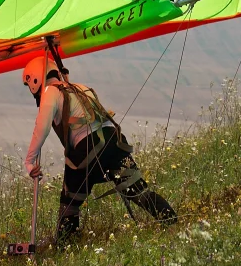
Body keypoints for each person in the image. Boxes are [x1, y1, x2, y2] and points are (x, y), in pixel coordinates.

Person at [21, 55, 177, 241]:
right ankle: (174, 223)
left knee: (70, 202)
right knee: (138, 191)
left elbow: (42, 127)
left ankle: (65, 248)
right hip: (114, 141)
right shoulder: (80, 87)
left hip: (87, 148)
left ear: (35, 80)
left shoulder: (50, 92)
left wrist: (29, 161)